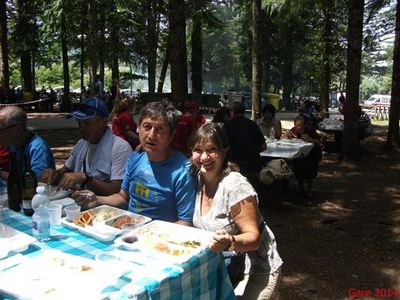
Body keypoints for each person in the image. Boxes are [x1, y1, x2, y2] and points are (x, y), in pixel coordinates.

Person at [188, 123, 283, 298]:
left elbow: (253, 239)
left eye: (211, 149)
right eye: (198, 150)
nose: (204, 157)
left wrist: (230, 241)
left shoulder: (235, 185)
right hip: (223, 268)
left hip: (257, 270)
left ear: (225, 152)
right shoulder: (197, 177)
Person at [75, 101, 196, 225]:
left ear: (172, 135)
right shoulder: (136, 157)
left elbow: (185, 222)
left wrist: (151, 233)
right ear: (139, 128)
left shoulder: (183, 172)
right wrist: (97, 200)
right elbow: (123, 197)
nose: (151, 135)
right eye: (147, 127)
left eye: (160, 129)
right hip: (128, 230)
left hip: (159, 238)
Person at [41, 97, 132, 196]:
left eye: (87, 123)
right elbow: (65, 171)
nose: (81, 128)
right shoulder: (81, 143)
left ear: (104, 122)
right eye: (79, 123)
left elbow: (117, 190)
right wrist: (54, 175)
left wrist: (86, 179)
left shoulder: (120, 148)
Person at [0, 106, 55, 179]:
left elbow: (37, 180)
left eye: (0, 129)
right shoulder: (13, 144)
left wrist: (2, 174)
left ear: (17, 129)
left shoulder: (38, 148)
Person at [223, 101, 266, 176]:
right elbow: (263, 146)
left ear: (232, 111)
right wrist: (252, 151)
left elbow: (222, 148)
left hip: (235, 168)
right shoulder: (253, 124)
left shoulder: (227, 126)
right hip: (254, 166)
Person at [285, 115, 322, 197]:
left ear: (305, 125)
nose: (299, 128)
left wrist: (310, 139)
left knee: (310, 167)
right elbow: (286, 136)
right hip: (299, 154)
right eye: (297, 125)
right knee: (296, 165)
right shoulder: (294, 130)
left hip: (312, 154)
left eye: (301, 125)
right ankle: (301, 188)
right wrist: (287, 135)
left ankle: (309, 188)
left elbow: (319, 143)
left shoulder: (310, 130)